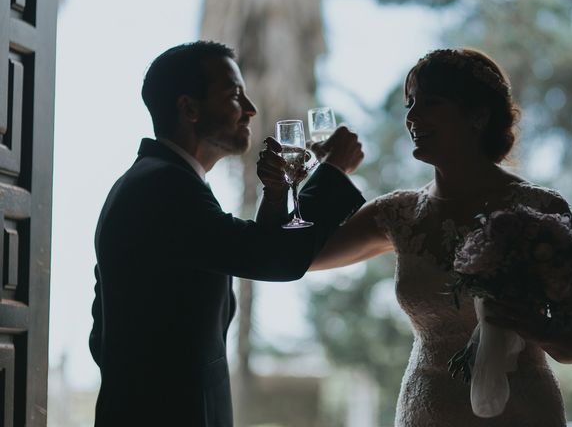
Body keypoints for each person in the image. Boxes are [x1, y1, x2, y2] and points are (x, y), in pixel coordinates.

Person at [309, 48, 572, 426]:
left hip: (522, 413)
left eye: (431, 102)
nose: (412, 116)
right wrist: (321, 176)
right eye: (411, 104)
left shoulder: (541, 209)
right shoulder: (398, 214)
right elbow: (303, 257)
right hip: (426, 412)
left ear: (478, 115)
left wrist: (533, 324)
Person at [89, 41, 365, 427]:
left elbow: (252, 250)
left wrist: (276, 193)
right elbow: (274, 259)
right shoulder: (165, 188)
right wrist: (334, 172)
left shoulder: (155, 180)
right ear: (189, 108)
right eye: (235, 95)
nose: (250, 109)